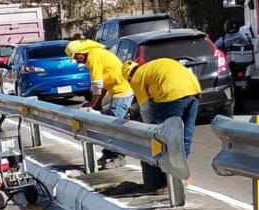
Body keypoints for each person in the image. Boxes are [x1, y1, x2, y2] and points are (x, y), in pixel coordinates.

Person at [121, 59, 201, 190]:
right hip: (194, 89)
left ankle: (169, 179)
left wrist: (149, 131)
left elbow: (146, 109)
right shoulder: (150, 67)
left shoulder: (136, 78)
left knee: (162, 137)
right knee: (185, 134)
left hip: (172, 93)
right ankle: (182, 175)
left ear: (128, 77)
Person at [65, 39, 134, 169]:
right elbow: (101, 86)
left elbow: (97, 84)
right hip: (116, 91)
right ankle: (108, 153)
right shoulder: (95, 54)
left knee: (112, 126)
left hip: (122, 92)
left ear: (81, 52)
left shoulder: (93, 57)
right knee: (107, 123)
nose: (76, 60)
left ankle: (117, 157)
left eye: (75, 57)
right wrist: (97, 103)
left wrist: (92, 103)